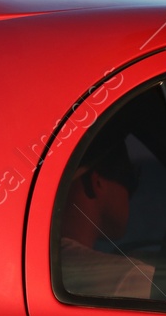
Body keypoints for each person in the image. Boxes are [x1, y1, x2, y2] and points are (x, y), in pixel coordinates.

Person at [58, 119, 155, 299]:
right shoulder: (132, 280)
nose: (130, 195)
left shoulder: (28, 265)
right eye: (130, 181)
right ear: (97, 182)